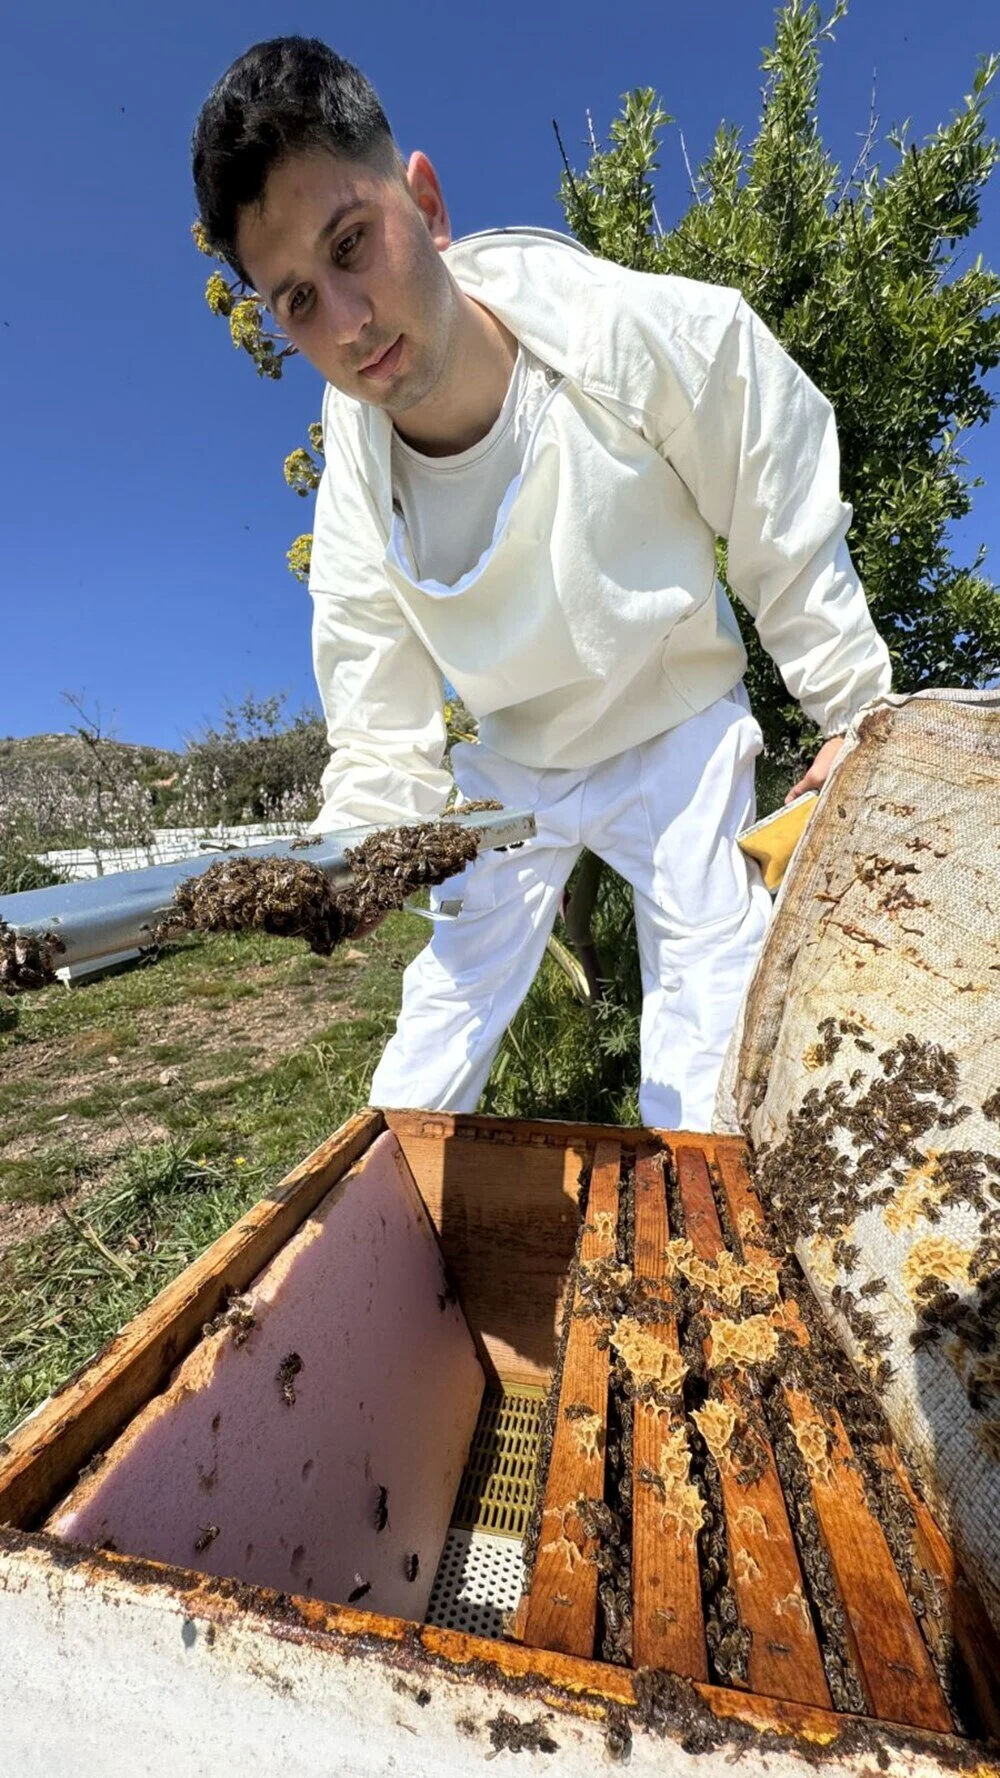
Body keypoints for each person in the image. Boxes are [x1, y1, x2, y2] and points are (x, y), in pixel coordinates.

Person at [192, 37, 892, 1131]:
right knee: (430, 1043)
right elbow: (376, 709)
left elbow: (765, 440)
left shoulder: (617, 333)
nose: (348, 321)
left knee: (707, 1062)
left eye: (350, 244)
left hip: (673, 727)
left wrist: (852, 705)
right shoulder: (356, 481)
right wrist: (352, 862)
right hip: (513, 764)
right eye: (295, 299)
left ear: (422, 202)